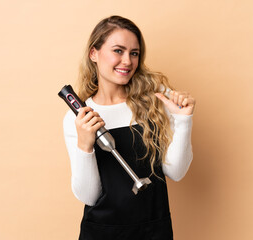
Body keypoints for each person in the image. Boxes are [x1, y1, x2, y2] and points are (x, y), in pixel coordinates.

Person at [63, 15, 195, 240]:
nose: (127, 61)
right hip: (101, 233)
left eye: (134, 53)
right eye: (118, 50)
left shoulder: (155, 103)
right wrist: (85, 145)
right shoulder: (79, 118)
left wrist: (183, 120)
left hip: (154, 231)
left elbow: (176, 172)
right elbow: (89, 196)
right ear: (94, 54)